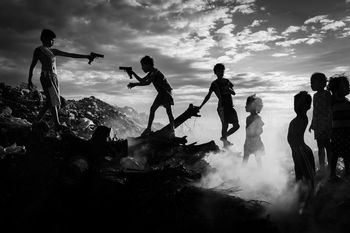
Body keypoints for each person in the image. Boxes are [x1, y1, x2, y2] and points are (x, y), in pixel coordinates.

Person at [28, 29, 95, 130]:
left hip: (54, 78)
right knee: (53, 100)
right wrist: (30, 80)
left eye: (53, 40)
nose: (52, 42)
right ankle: (57, 124)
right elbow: (32, 66)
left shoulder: (53, 51)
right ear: (44, 39)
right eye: (51, 40)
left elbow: (70, 54)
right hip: (46, 77)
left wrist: (86, 56)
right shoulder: (39, 50)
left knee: (49, 102)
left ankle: (36, 121)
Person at [127, 55, 175, 137]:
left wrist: (135, 84)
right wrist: (133, 73)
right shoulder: (152, 72)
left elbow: (147, 83)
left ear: (148, 65)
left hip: (165, 92)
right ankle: (149, 129)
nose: (142, 68)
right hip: (162, 92)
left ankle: (172, 130)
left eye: (143, 65)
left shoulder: (155, 72)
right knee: (154, 109)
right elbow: (142, 80)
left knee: (168, 112)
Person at [199, 63, 239, 147]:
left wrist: (229, 90)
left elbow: (234, 92)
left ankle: (224, 138)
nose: (221, 72)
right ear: (215, 72)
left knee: (236, 126)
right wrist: (201, 106)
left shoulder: (227, 81)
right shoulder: (214, 83)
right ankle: (225, 145)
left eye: (222, 70)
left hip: (230, 106)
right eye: (219, 71)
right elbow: (208, 96)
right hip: (222, 107)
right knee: (225, 125)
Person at [287, 91, 316, 187]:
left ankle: (311, 190)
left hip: (300, 148)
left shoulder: (302, 117)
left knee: (307, 171)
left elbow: (303, 106)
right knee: (298, 170)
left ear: (305, 106)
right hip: (295, 149)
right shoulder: (299, 117)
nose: (295, 107)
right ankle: (299, 190)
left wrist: (304, 97)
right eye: (294, 104)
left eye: (297, 104)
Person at [327, 75, 350, 181]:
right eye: (344, 86)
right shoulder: (333, 101)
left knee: (347, 154)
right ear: (336, 90)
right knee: (335, 153)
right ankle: (332, 174)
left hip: (347, 132)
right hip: (337, 132)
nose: (348, 87)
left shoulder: (347, 102)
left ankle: (347, 173)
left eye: (348, 85)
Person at [309, 72, 332, 172]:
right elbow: (315, 111)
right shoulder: (315, 96)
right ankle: (322, 167)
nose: (312, 85)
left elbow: (330, 109)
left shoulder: (327, 94)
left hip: (326, 124)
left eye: (314, 82)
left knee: (327, 145)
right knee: (320, 146)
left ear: (322, 83)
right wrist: (312, 124)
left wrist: (329, 123)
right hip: (318, 125)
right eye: (311, 83)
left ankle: (331, 166)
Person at [243, 94, 265, 168]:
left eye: (248, 104)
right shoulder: (249, 118)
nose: (246, 106)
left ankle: (242, 173)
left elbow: (260, 130)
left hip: (254, 141)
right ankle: (241, 173)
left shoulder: (256, 118)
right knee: (249, 158)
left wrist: (254, 134)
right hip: (250, 141)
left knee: (253, 158)